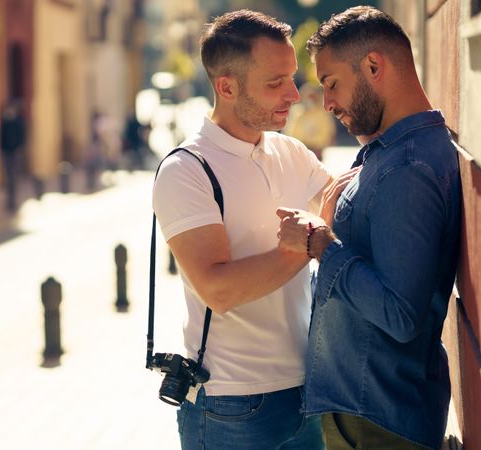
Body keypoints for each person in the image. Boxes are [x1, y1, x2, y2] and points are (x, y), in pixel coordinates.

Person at [275, 6, 462, 450]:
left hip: (377, 422)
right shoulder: (388, 150)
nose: (327, 103)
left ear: (374, 66)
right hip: (363, 412)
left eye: (332, 83)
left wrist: (321, 243)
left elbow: (399, 315)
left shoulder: (409, 167)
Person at [152, 9, 332, 449]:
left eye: (292, 77)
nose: (293, 93)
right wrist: (301, 247)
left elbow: (345, 212)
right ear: (227, 87)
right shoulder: (186, 171)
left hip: (308, 391)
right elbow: (219, 290)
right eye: (275, 83)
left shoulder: (291, 152)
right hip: (230, 405)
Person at [0, 100, 26, 211]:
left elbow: (22, 137)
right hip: (6, 152)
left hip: (14, 152)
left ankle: (12, 200)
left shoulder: (18, 122)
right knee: (9, 177)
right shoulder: (5, 122)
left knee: (13, 177)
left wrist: (19, 148)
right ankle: (9, 201)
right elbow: (1, 138)